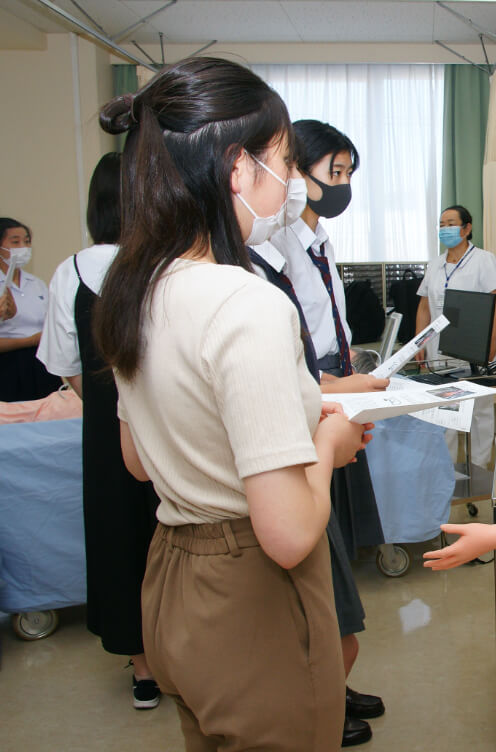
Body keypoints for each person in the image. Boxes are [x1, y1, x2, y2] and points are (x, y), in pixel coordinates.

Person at [96, 57, 369, 751]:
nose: (291, 184)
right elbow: (286, 533)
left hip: (173, 578)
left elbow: (136, 460)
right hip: (251, 591)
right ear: (236, 169)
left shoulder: (137, 287)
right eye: (283, 161)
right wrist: (331, 447)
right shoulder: (245, 302)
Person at [251, 119, 388, 746]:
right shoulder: (268, 249)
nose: (344, 185)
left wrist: (354, 372)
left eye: (349, 174)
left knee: (342, 553)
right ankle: (320, 693)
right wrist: (335, 387)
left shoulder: (319, 239)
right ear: (294, 173)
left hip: (335, 384)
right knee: (316, 555)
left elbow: (327, 325)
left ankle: (335, 676)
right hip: (311, 395)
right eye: (334, 172)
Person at [36, 152, 163, 709]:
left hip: (106, 430)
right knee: (176, 534)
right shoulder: (165, 263)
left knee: (119, 538)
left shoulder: (71, 270)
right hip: (171, 424)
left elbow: (63, 360)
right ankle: (186, 650)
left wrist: (109, 404)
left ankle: (142, 667)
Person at [415, 204, 496, 468]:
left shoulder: (483, 260)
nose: (445, 229)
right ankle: (447, 470)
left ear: (467, 228)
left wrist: (489, 342)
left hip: (475, 347)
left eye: (451, 223)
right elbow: (423, 305)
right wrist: (418, 344)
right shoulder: (435, 264)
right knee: (445, 412)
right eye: (441, 225)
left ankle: (478, 467)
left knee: (480, 412)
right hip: (439, 350)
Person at [0, 218, 61, 402]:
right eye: (15, 241)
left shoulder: (37, 284)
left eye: (26, 241)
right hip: (7, 367)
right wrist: (30, 340)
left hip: (40, 363)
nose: (23, 247)